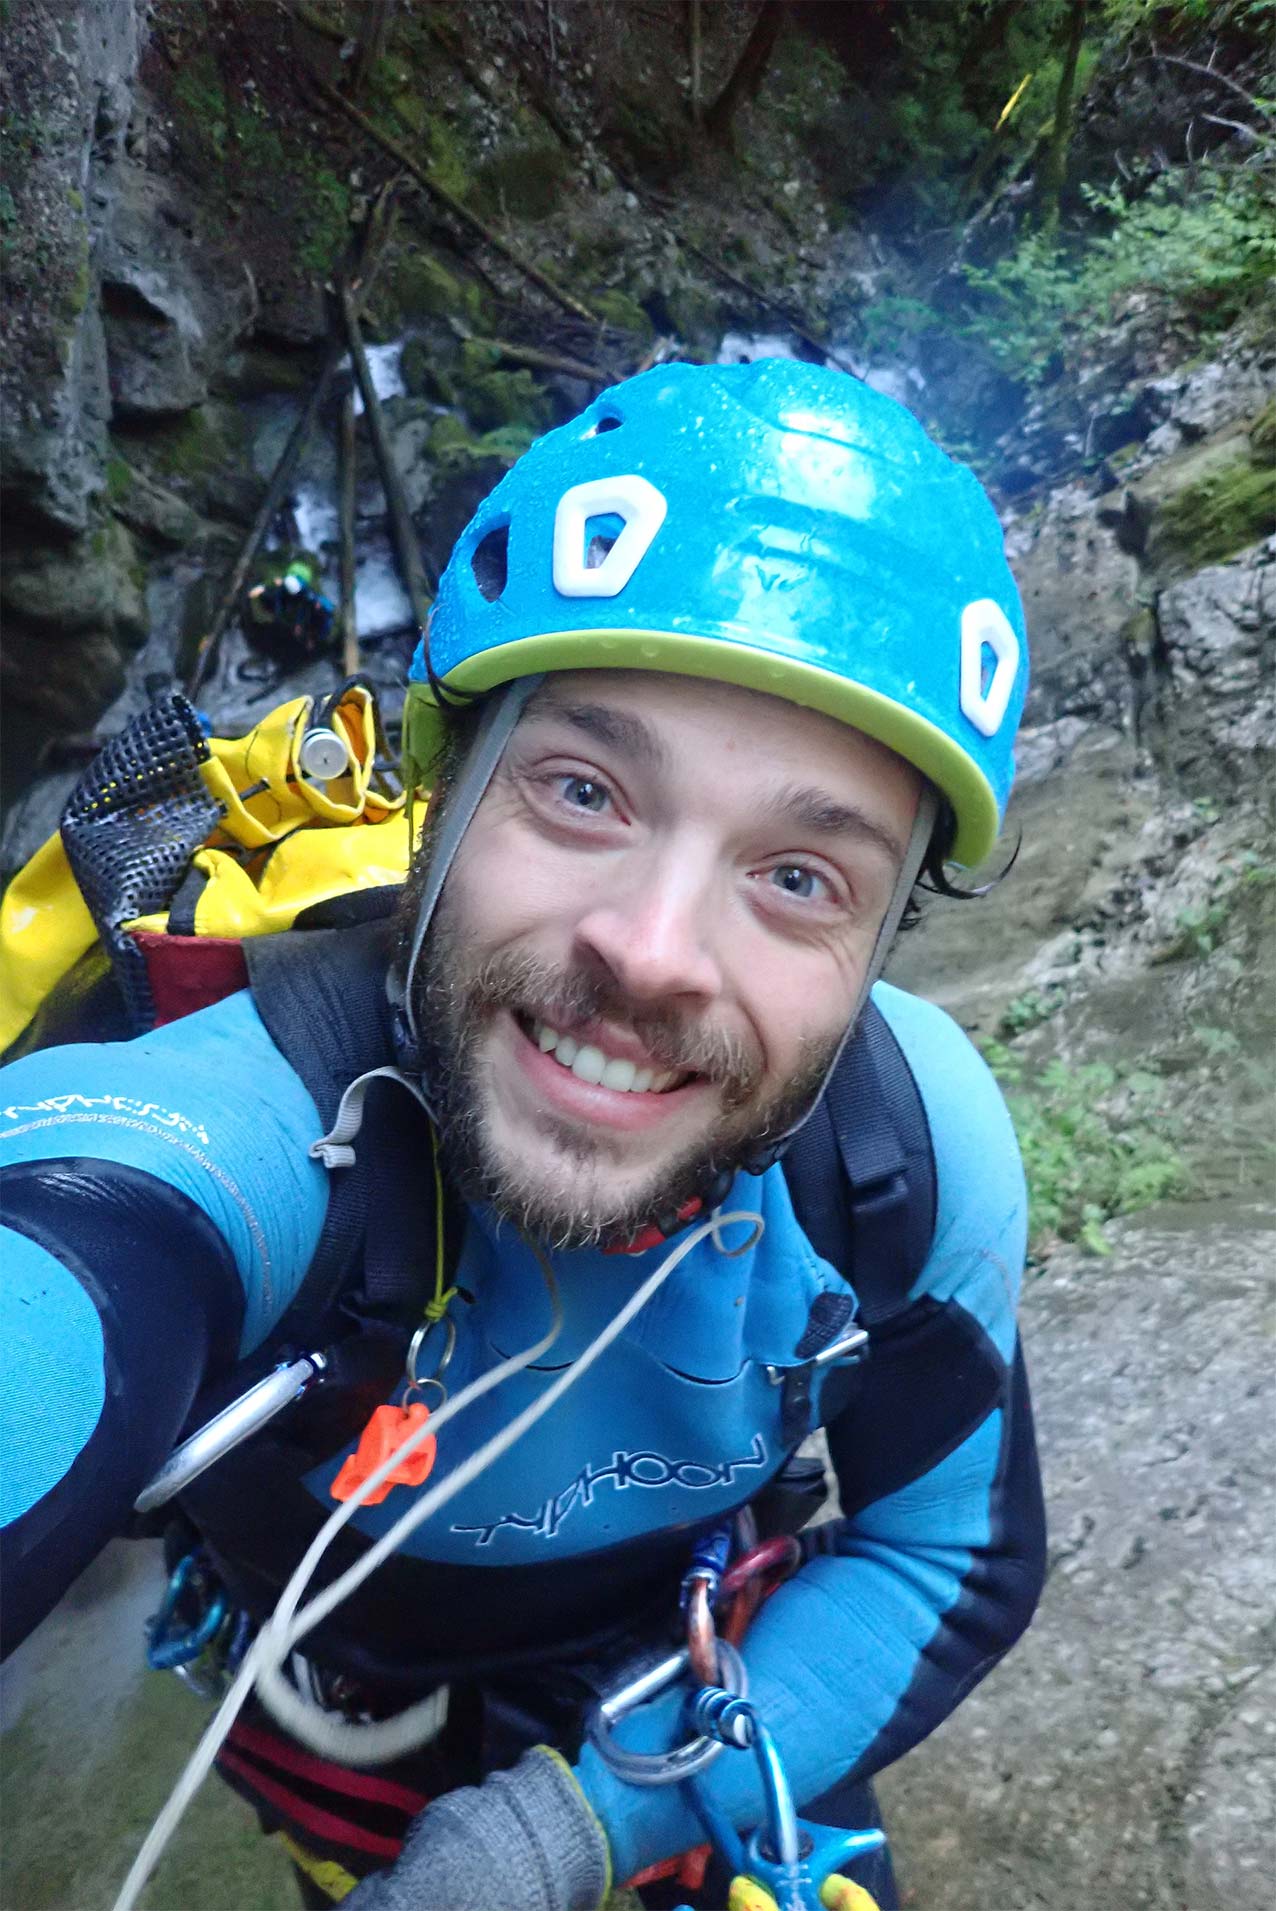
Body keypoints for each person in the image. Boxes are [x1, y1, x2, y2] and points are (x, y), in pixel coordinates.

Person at [0, 358, 1046, 1911]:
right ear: (443, 798)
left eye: (803, 879)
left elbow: (946, 1558)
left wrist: (575, 1831)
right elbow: (89, 1237)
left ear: (878, 954)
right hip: (344, 1730)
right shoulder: (251, 1110)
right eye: (583, 789)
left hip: (706, 1674)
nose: (656, 952)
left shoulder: (906, 1155)